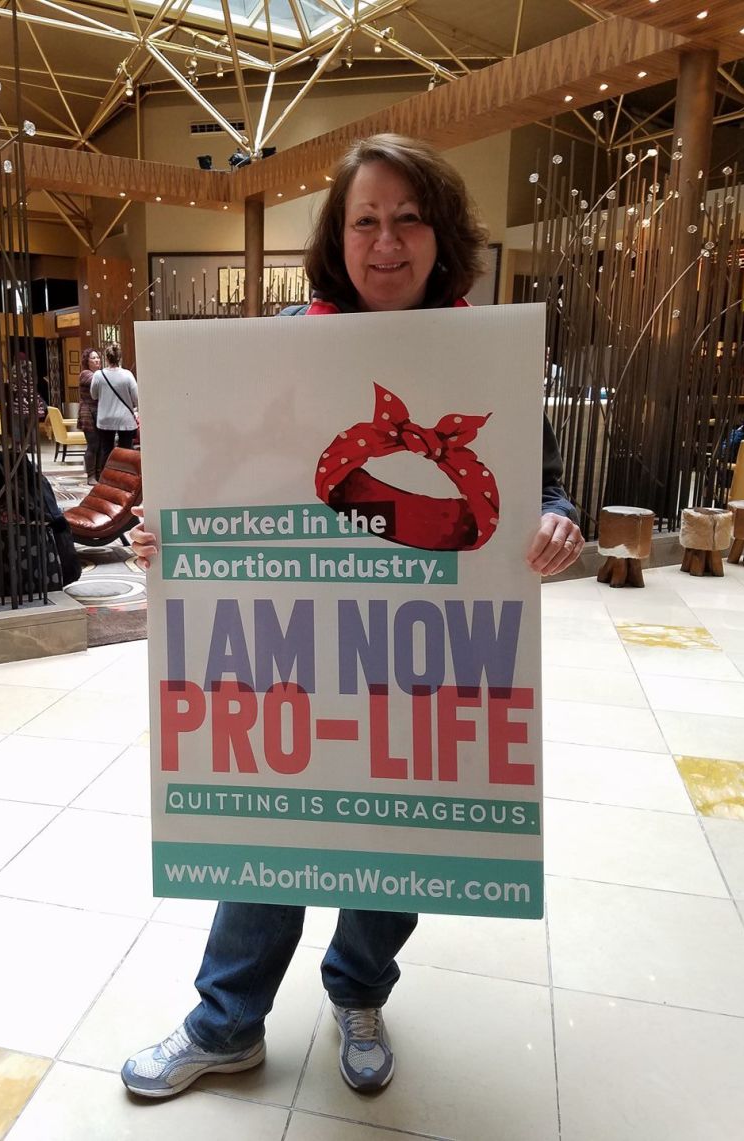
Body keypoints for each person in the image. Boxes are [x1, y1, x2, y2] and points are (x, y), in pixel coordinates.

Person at [122, 134, 583, 1102]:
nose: (386, 241)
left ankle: (358, 993)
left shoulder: (482, 346)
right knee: (268, 825)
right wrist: (170, 543)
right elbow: (225, 481)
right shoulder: (286, 338)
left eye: (407, 217)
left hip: (425, 644)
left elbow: (546, 485)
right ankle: (226, 1022)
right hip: (297, 643)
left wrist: (557, 520)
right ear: (337, 236)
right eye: (364, 219)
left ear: (439, 231)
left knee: (396, 833)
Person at [90, 342, 138, 478]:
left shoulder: (99, 375)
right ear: (120, 358)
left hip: (105, 418)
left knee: (106, 450)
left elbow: (94, 395)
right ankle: (124, 478)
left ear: (106, 358)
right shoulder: (127, 375)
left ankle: (106, 478)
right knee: (125, 451)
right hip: (125, 419)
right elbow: (136, 397)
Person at [78, 347, 101, 485]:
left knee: (99, 445)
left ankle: (98, 474)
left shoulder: (99, 374)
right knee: (92, 445)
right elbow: (99, 381)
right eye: (93, 358)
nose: (97, 360)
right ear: (87, 361)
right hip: (88, 414)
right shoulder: (85, 374)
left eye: (98, 357)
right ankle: (91, 476)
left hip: (99, 413)